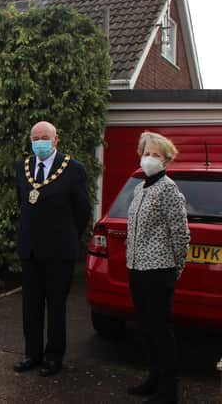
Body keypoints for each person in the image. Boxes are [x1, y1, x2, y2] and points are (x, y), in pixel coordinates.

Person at [13, 121, 91, 377]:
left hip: (59, 252)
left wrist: (67, 237)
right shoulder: (22, 167)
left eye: (44, 137)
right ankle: (32, 354)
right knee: (31, 306)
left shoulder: (73, 169)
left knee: (56, 306)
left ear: (56, 139)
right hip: (31, 250)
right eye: (35, 138)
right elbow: (22, 203)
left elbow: (82, 211)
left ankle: (54, 355)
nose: (40, 142)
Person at [126, 131, 189, 404]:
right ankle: (153, 379)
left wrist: (174, 270)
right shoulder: (140, 188)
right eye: (146, 153)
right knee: (146, 328)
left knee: (161, 332)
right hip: (137, 268)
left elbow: (181, 235)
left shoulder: (169, 189)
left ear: (166, 160)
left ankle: (170, 391)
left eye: (155, 155)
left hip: (159, 271)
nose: (149, 159)